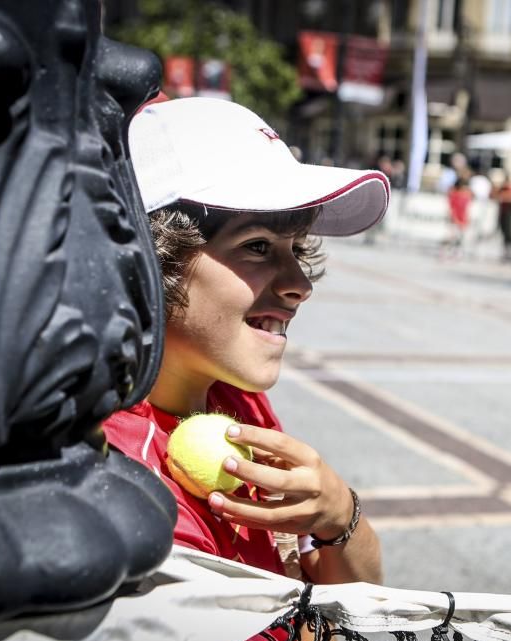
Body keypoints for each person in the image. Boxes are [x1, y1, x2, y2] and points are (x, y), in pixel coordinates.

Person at [103, 97, 384, 591]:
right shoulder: (117, 475)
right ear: (149, 257)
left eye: (296, 248)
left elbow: (331, 632)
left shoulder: (235, 400)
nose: (300, 282)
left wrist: (341, 516)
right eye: (257, 246)